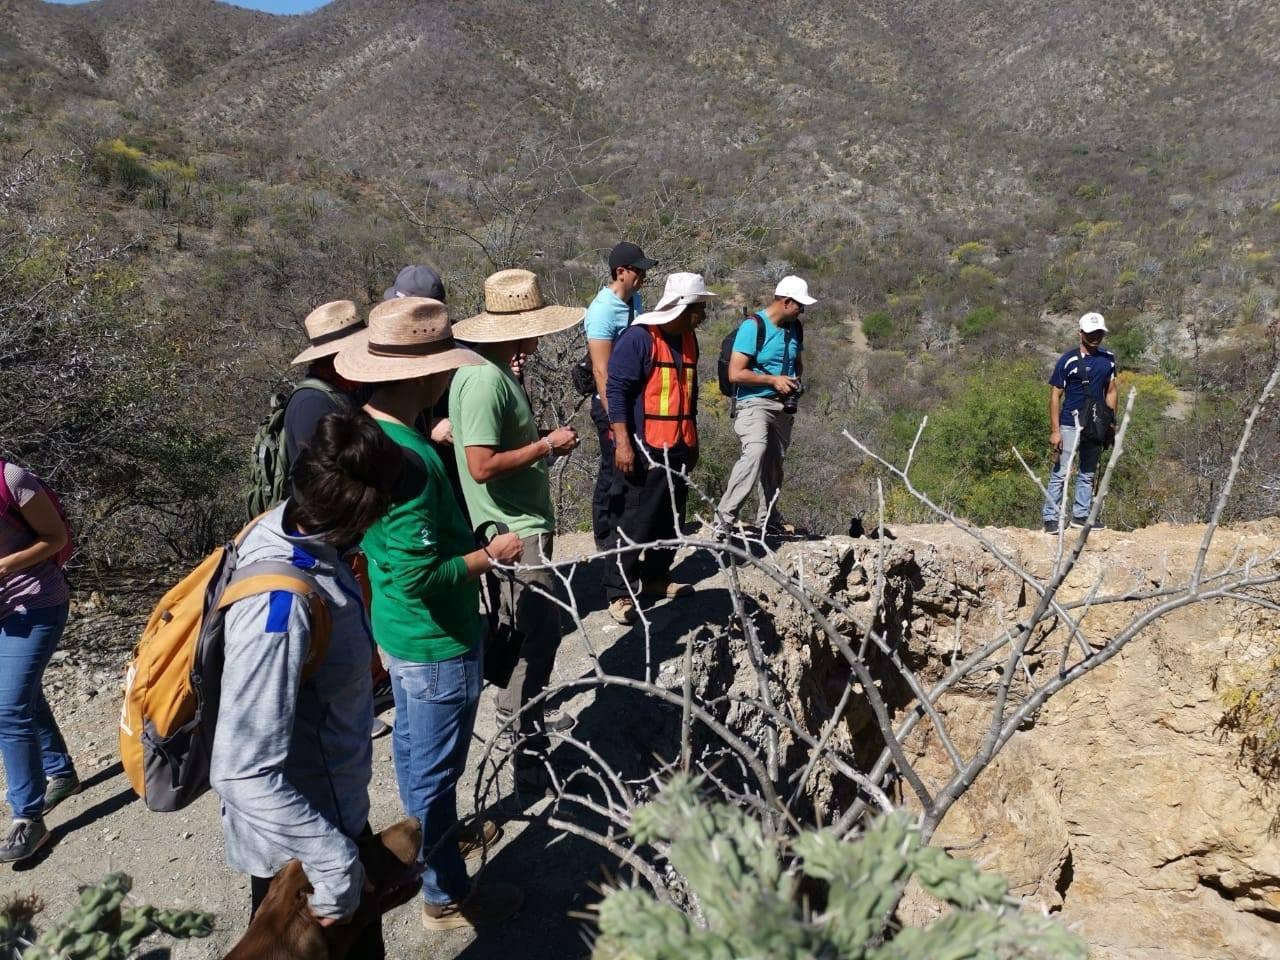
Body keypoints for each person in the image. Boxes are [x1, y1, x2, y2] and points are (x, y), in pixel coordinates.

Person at [335, 296, 527, 931]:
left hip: (397, 629)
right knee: (438, 774)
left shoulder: (367, 432)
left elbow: (392, 558)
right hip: (437, 636)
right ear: (422, 374)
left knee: (418, 754)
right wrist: (488, 556)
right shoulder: (409, 460)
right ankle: (444, 893)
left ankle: (422, 858)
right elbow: (423, 574)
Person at [209, 409, 403, 955]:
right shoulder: (279, 606)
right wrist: (333, 860)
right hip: (299, 859)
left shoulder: (290, 526)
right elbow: (240, 769)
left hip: (321, 828)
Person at [449, 270, 582, 748]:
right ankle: (524, 734)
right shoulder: (487, 380)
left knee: (521, 626)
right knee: (540, 631)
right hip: (512, 527)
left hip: (508, 521)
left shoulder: (490, 371)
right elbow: (481, 465)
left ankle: (516, 714)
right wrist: (546, 444)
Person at [286, 298, 393, 739]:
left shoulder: (327, 396)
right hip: (328, 535)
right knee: (338, 620)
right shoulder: (315, 404)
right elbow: (323, 477)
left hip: (335, 532)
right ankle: (350, 711)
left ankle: (362, 695)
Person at [603, 272, 715, 624]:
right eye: (700, 308)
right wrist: (622, 443)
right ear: (682, 306)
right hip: (643, 446)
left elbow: (689, 392)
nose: (703, 315)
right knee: (634, 519)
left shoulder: (688, 338)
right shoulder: (640, 338)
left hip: (678, 444)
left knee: (669, 519)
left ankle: (655, 577)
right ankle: (619, 592)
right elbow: (616, 391)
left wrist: (692, 437)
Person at [0, 461, 77, 864]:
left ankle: (28, 818)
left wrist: (5, 566)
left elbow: (55, 536)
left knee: (9, 707)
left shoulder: (11, 479)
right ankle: (60, 773)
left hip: (35, 603)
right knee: (22, 694)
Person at [716, 275, 817, 537]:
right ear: (785, 301)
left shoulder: (795, 328)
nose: (802, 311)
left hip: (782, 405)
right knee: (756, 450)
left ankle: (768, 520)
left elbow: (797, 361)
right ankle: (724, 518)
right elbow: (735, 374)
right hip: (754, 402)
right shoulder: (753, 327)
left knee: (775, 461)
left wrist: (794, 382)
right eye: (800, 305)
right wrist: (773, 380)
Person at [584, 242, 657, 550]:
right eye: (638, 270)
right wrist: (615, 417)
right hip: (610, 403)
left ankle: (625, 530)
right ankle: (604, 536)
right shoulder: (602, 310)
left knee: (626, 470)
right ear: (621, 272)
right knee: (612, 468)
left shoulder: (635, 301)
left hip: (632, 398)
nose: (643, 276)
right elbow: (602, 371)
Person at [1042, 311, 1118, 532]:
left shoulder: (1108, 359)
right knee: (1061, 472)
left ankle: (1081, 516)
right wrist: (1055, 431)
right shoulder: (1068, 360)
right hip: (1069, 423)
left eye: (1099, 333)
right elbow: (1055, 395)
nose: (1095, 337)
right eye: (1091, 333)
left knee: (1088, 472)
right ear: (1081, 333)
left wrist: (1110, 423)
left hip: (1095, 424)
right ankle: (1050, 518)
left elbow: (1111, 391)